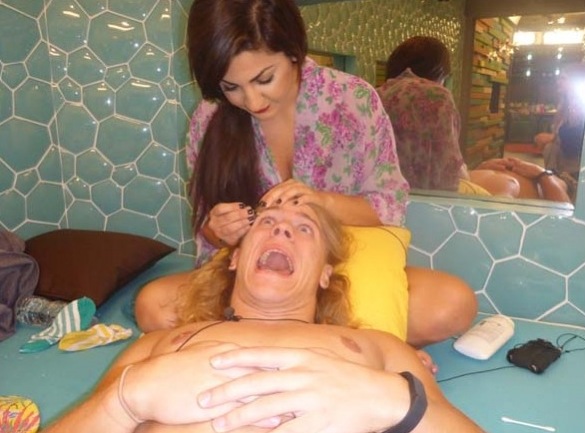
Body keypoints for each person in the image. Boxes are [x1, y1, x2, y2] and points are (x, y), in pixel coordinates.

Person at [134, 0, 478, 350]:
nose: (252, 101)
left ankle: (260, 340)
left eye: (264, 79)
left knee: (450, 303)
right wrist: (216, 230)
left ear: (293, 50)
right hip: (256, 281)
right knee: (153, 304)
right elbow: (210, 238)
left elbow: (390, 206)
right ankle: (321, 344)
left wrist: (323, 203)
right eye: (230, 87)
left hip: (337, 272)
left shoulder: (351, 100)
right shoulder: (209, 118)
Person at [43, 202, 485, 433]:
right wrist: (123, 403)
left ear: (326, 273)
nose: (282, 229)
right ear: (234, 259)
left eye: (304, 228)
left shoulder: (378, 347)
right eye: (266, 223)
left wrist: (398, 403)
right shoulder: (161, 345)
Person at [376, 36, 572, 203]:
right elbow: (446, 172)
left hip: (387, 192)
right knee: (509, 184)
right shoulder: (434, 96)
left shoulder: (376, 95)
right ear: (439, 73)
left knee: (507, 182)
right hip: (431, 198)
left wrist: (478, 169)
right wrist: (542, 174)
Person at [534, 62, 585, 202]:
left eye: (563, 78)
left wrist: (552, 137)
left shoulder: (580, 104)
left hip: (575, 170)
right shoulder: (565, 105)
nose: (558, 81)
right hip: (560, 168)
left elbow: (575, 144)